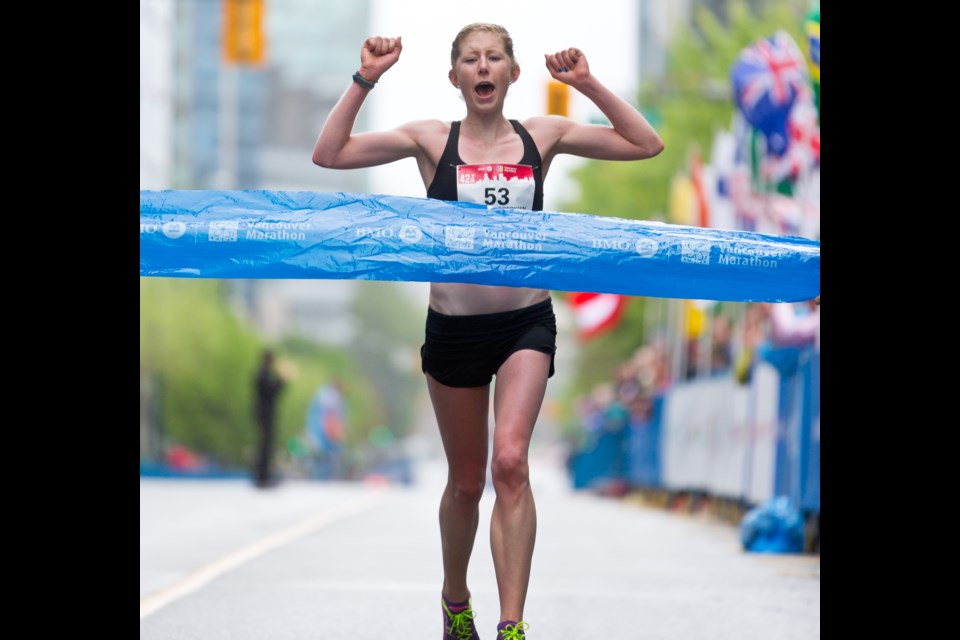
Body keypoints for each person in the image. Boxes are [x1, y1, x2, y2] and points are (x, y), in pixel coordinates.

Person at [312, 23, 663, 639]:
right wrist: (366, 77)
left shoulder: (543, 135)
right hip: (453, 329)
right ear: (455, 78)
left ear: (511, 73)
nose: (483, 66)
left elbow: (645, 144)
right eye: (470, 59)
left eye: (494, 57)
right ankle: (455, 600)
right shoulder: (429, 140)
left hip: (525, 320)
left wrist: (586, 84)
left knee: (510, 464)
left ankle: (511, 625)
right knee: (466, 482)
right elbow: (330, 153)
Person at [253, 349, 286, 488]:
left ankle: (264, 476)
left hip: (265, 413)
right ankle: (262, 478)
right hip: (265, 413)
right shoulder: (263, 373)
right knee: (265, 446)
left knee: (266, 446)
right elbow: (271, 391)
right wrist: (281, 379)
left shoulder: (263, 373)